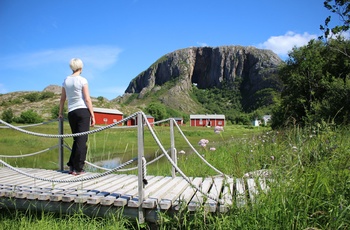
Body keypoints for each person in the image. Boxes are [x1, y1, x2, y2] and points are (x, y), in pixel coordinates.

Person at [58, 58, 95, 176]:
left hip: (71, 112)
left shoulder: (66, 80)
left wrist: (60, 113)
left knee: (76, 140)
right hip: (82, 111)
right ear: (81, 67)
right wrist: (93, 115)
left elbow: (62, 99)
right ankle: (78, 169)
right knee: (82, 141)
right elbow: (87, 99)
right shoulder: (82, 80)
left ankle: (72, 166)